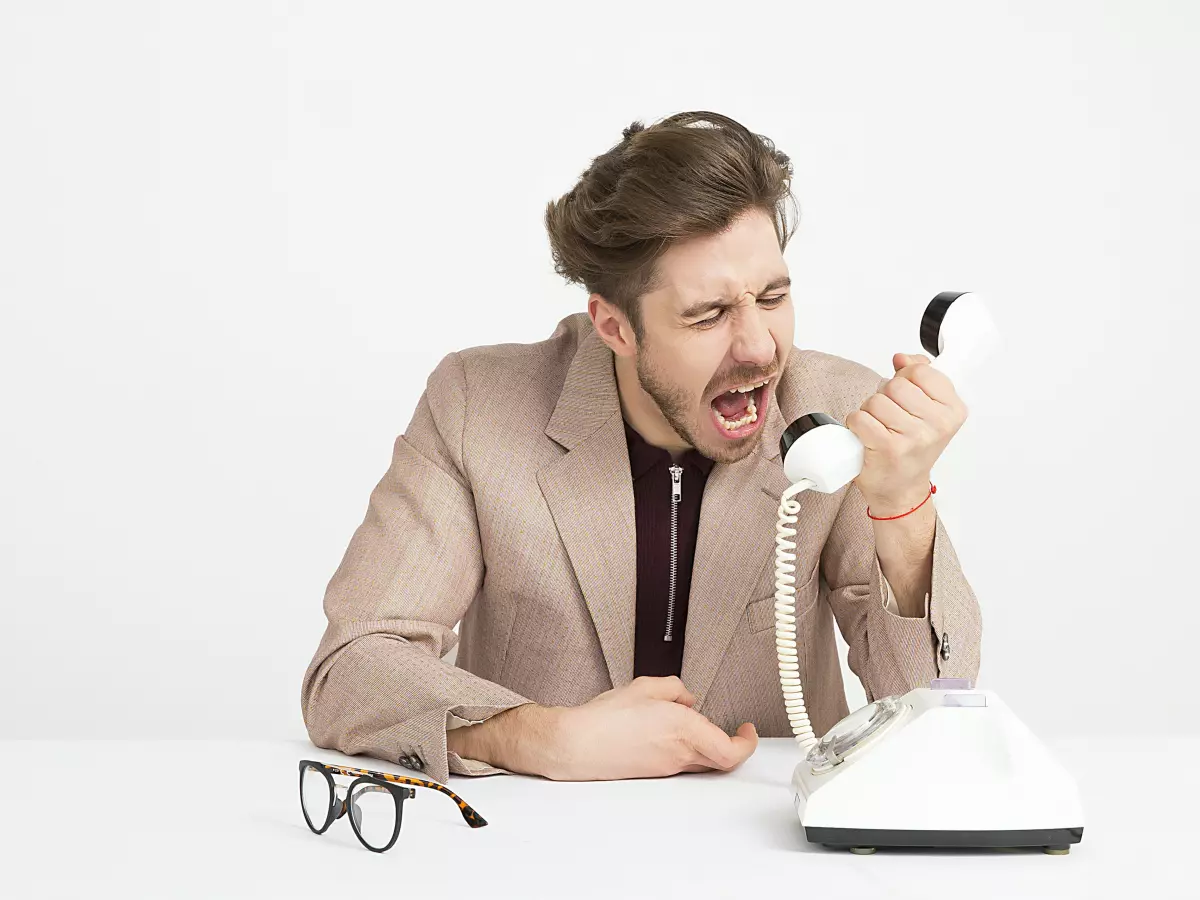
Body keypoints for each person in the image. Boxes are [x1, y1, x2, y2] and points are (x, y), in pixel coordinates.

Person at [301, 111, 981, 785]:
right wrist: (538, 738)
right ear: (614, 326)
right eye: (707, 315)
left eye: (773, 296)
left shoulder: (835, 412)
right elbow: (352, 666)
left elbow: (934, 710)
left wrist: (901, 508)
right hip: (532, 847)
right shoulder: (476, 404)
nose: (759, 347)